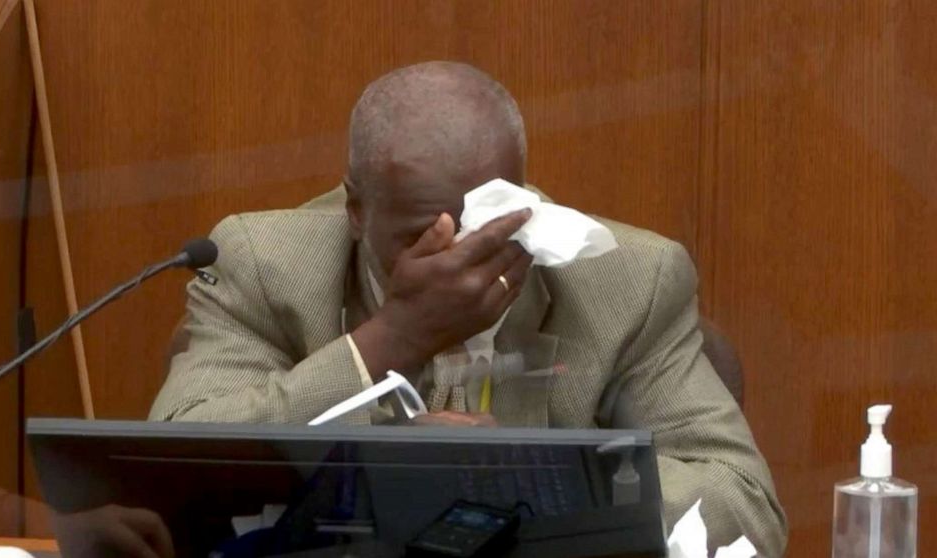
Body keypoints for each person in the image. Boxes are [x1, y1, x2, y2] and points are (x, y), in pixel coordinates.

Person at [150, 61, 787, 555]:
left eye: (484, 228)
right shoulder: (265, 263)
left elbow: (741, 496)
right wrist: (392, 337)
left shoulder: (629, 281)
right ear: (355, 210)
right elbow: (172, 466)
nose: (455, 259)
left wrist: (532, 481)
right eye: (417, 237)